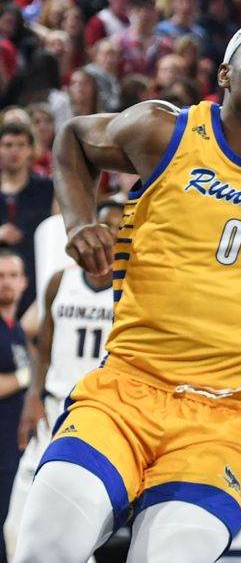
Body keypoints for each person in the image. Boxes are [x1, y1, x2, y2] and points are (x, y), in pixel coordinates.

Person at [14, 16, 241, 563]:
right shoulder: (164, 130)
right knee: (45, 547)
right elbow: (73, 140)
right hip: (126, 391)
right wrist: (78, 223)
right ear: (224, 75)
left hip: (223, 419)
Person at [4, 202, 121, 559]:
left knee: (77, 527)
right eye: (106, 225)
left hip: (98, 414)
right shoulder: (61, 279)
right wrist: (32, 398)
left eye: (120, 227)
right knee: (16, 524)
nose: (111, 234)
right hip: (53, 405)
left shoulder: (132, 290)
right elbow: (43, 347)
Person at [0, 123, 54, 315]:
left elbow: (56, 235)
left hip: (35, 284)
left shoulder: (49, 189)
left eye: (21, 145)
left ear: (31, 149)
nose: (14, 151)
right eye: (8, 145)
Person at [0, 251, 30, 563]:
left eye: (12, 276)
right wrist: (25, 377)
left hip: (13, 448)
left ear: (24, 283)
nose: (6, 283)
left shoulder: (16, 328)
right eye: (0, 276)